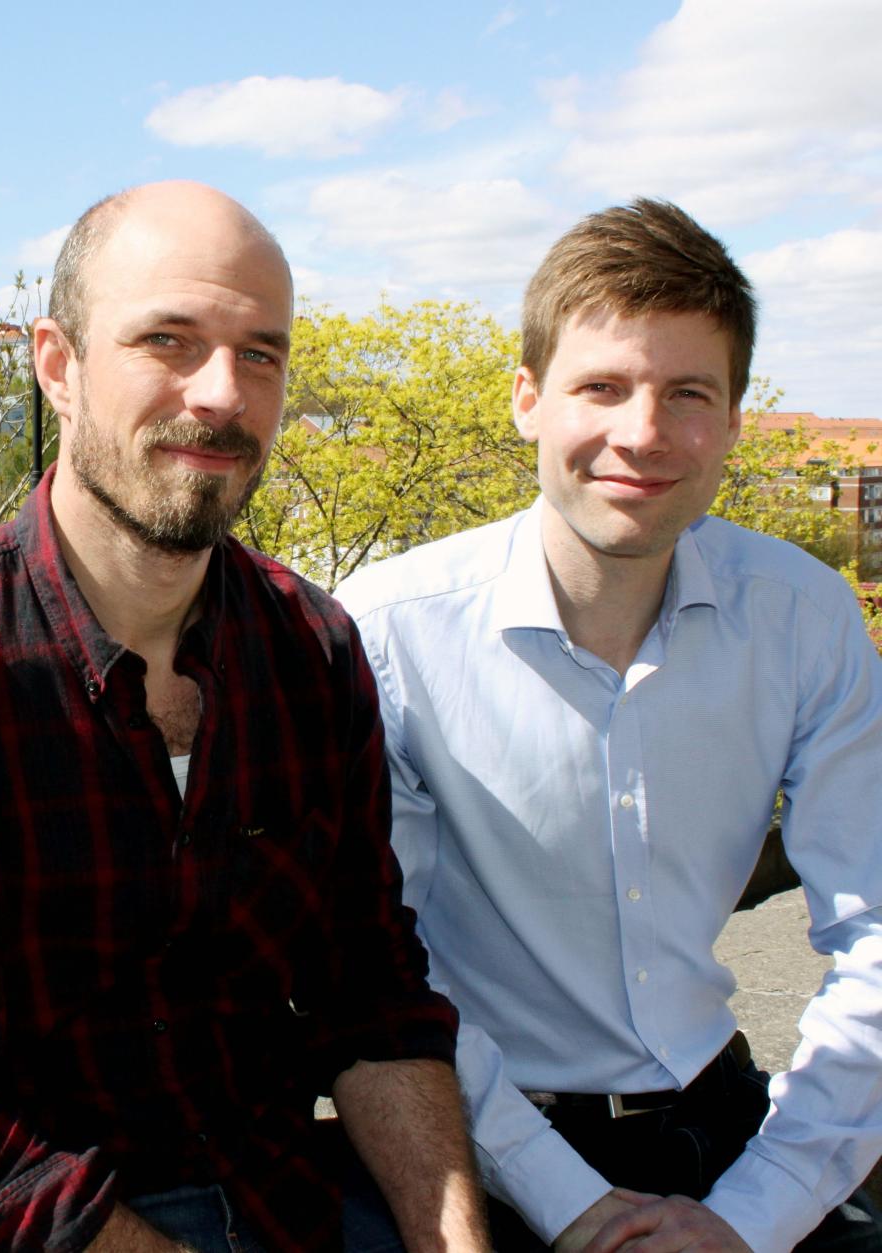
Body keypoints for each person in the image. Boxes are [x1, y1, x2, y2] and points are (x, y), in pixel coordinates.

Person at [0, 180, 489, 1253]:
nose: (221, 392)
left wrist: (453, 1241)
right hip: (15, 1226)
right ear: (59, 365)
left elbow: (372, 992)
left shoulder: (310, 650)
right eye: (168, 340)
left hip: (276, 1197)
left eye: (259, 352)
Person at [336, 198, 882, 1253]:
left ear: (730, 417)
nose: (642, 432)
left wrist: (753, 1214)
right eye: (602, 387)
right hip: (471, 1147)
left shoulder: (803, 616)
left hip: (729, 1132)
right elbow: (380, 967)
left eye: (688, 393)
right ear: (527, 400)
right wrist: (571, 1203)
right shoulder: (391, 632)